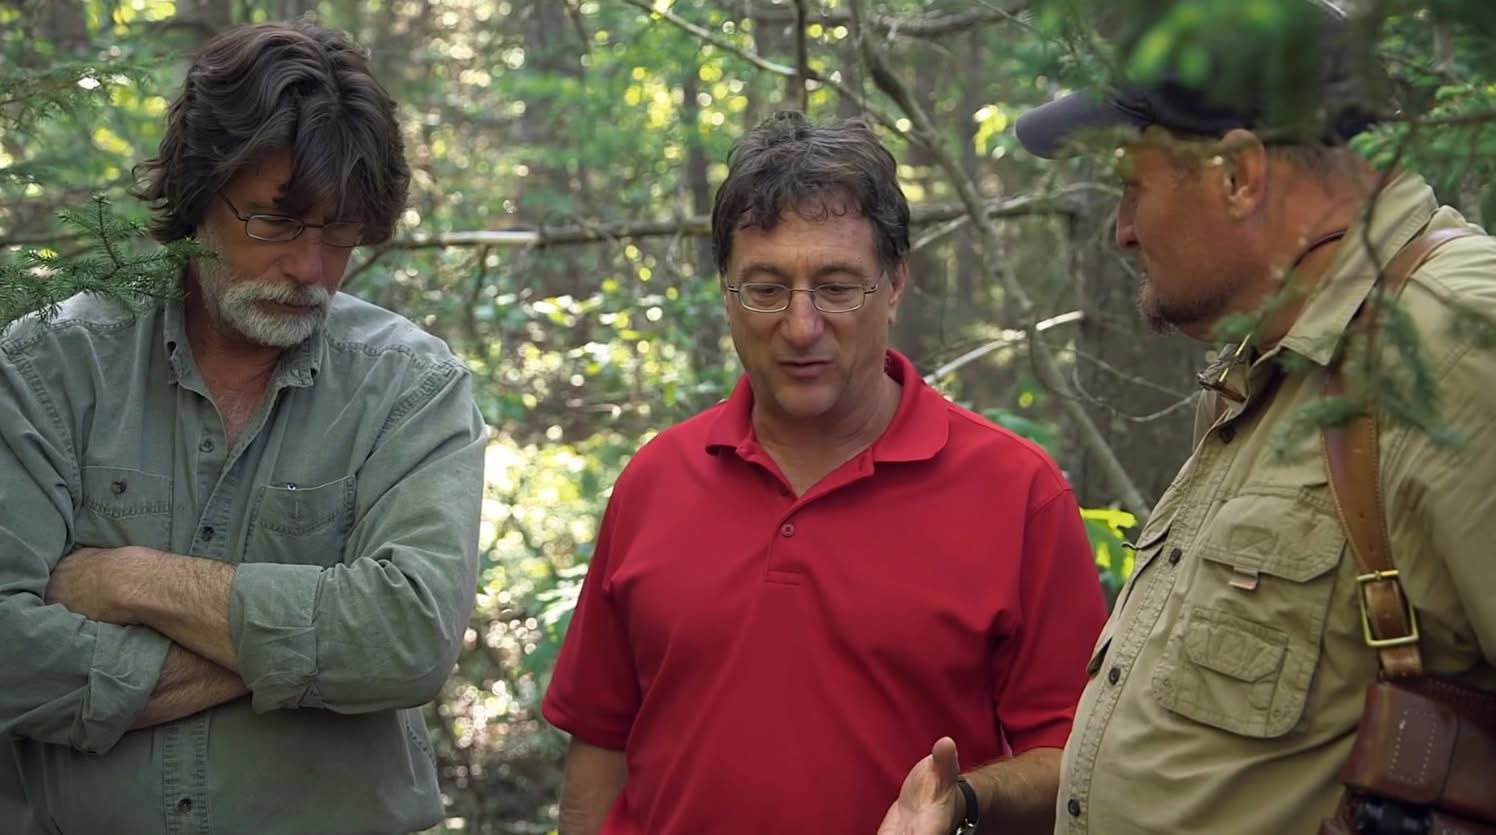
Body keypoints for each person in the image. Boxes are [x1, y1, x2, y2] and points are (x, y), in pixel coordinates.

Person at [542, 111, 1107, 835]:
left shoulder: (1016, 491)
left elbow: (1076, 757)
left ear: (895, 286)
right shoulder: (655, 481)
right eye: (766, 288)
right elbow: (599, 746)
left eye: (837, 287)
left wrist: (966, 797)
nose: (801, 325)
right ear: (726, 291)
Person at [1014, 1, 1496, 832]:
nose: (1122, 231)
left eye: (1132, 186)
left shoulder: (1455, 340)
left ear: (1237, 175)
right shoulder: (1274, 365)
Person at [0, 22, 487, 834]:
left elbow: (409, 638)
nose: (310, 267)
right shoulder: (48, 367)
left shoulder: (411, 387)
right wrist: (311, 649)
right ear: (200, 193)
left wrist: (131, 581)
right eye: (275, 222)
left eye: (340, 231)